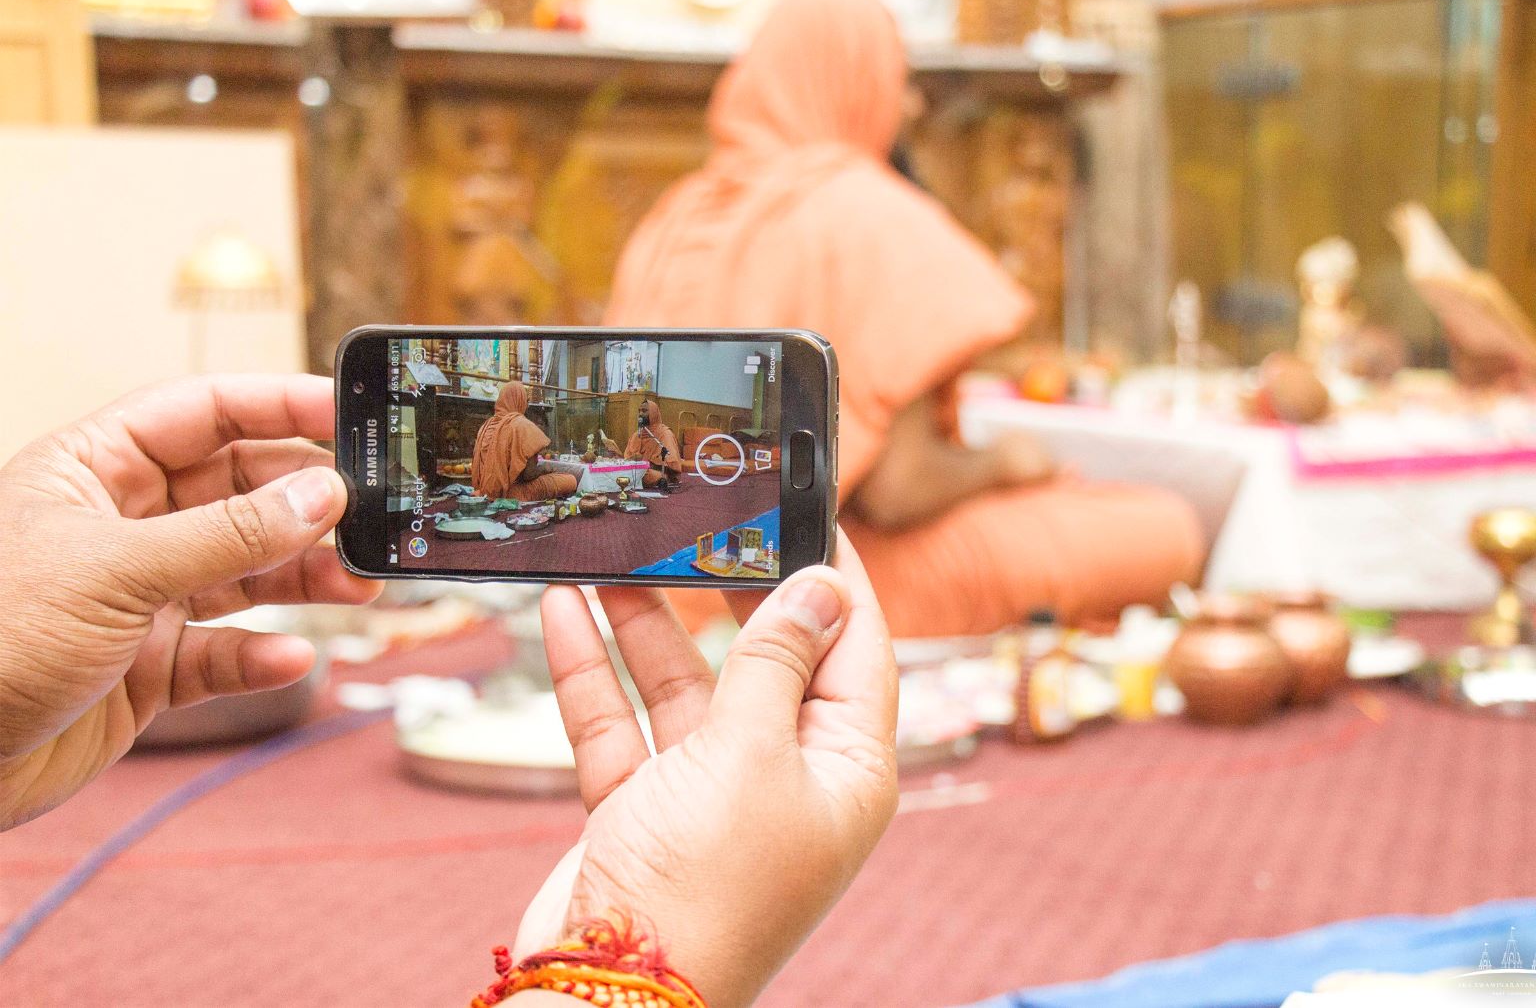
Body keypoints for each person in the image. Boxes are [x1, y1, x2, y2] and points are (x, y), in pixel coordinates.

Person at [0, 374, 898, 1008]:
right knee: (583, 483)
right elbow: (564, 465)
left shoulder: (579, 429)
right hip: (535, 492)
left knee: (606, 482)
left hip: (543, 489)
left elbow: (638, 459)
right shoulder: (530, 431)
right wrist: (659, 954)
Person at [605, 0, 1205, 638]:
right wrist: (1002, 465)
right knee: (1164, 526)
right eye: (900, 77)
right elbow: (899, 492)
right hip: (807, 585)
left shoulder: (672, 215)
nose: (912, 105)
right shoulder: (867, 208)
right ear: (854, 80)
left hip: (656, 583)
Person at [474, 381, 580, 501]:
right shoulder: (521, 424)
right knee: (570, 480)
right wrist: (546, 469)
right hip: (512, 493)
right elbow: (528, 475)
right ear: (518, 400)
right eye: (526, 401)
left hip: (485, 492)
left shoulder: (485, 426)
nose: (527, 405)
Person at [623, 398, 683, 488]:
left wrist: (646, 464)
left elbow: (671, 464)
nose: (640, 414)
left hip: (653, 472)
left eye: (644, 411)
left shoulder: (665, 433)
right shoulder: (636, 435)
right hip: (636, 469)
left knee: (647, 475)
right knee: (625, 471)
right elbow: (627, 459)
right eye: (639, 411)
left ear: (653, 413)